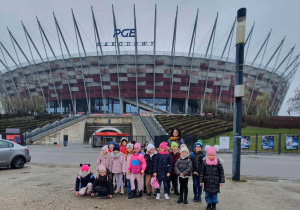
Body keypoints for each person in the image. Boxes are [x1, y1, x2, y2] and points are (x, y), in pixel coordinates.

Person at [200, 145, 225, 210]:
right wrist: (201, 181)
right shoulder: (204, 163)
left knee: (214, 194)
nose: (211, 157)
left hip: (215, 182)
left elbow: (221, 172)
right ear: (207, 155)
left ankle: (214, 204)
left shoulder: (218, 163)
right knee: (207, 194)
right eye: (210, 155)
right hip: (207, 182)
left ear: (215, 155)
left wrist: (222, 181)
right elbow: (202, 172)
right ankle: (208, 204)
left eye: (213, 155)